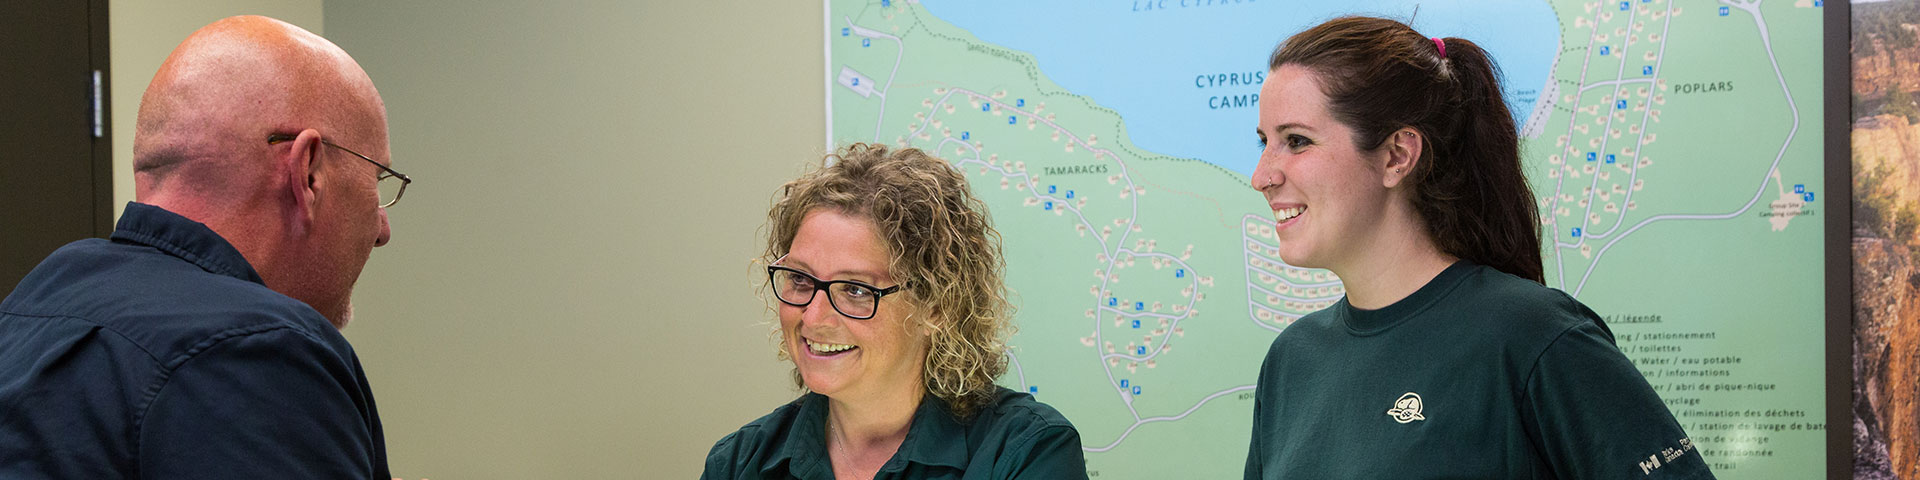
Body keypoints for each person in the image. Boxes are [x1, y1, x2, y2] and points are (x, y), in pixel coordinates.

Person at [1242, 16, 1712, 479]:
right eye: (1265, 142)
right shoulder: (1291, 362)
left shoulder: (1534, 337)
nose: (1262, 176)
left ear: (1396, 156)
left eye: (1296, 141)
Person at [0, 16, 404, 478]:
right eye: (377, 180)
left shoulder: (40, 301)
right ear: (307, 173)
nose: (382, 228)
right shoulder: (263, 355)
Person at [702, 143, 1087, 479]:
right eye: (800, 280)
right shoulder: (738, 463)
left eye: (855, 290)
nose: (813, 317)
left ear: (937, 305)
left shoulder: (1028, 451)